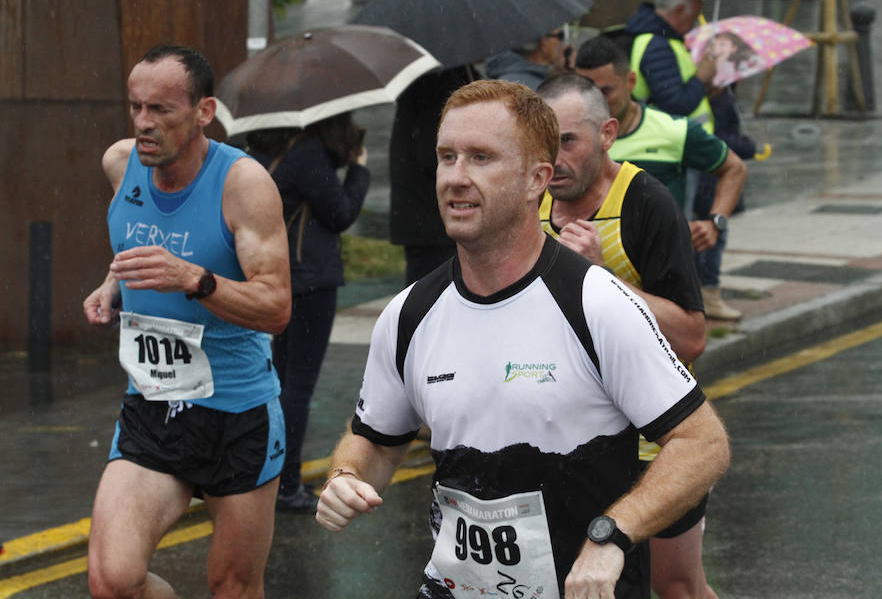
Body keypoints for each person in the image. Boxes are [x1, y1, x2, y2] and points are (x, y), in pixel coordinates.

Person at [315, 79, 730, 599]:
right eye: (448, 157)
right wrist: (345, 476)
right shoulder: (409, 314)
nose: (456, 178)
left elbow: (702, 443)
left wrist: (611, 536)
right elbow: (375, 438)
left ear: (538, 178)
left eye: (482, 158)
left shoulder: (595, 304)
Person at [82, 45, 291, 598]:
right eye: (136, 108)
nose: (145, 123)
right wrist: (113, 283)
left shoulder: (243, 184)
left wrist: (194, 280)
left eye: (162, 110)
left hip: (237, 413)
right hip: (153, 403)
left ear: (204, 111)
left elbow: (276, 308)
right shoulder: (119, 163)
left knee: (233, 586)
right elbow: (135, 236)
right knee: (112, 580)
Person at [536, 72, 719, 599]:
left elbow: (691, 337)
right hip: (568, 437)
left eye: (568, 141)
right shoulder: (531, 201)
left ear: (607, 133)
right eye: (544, 143)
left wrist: (601, 278)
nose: (554, 158)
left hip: (652, 440)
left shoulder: (646, 203)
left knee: (675, 585)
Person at [245, 114, 369, 513]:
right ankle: (286, 484)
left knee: (280, 382)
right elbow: (340, 213)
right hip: (311, 280)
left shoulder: (269, 150)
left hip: (283, 277)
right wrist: (359, 170)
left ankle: (272, 479)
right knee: (297, 386)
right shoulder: (307, 152)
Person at [575, 34, 747, 321]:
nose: (596, 102)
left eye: (606, 91)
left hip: (663, 281)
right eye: (586, 90)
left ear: (630, 82)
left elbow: (734, 168)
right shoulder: (570, 140)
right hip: (591, 281)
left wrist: (716, 221)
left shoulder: (673, 130)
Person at [390, 65, 477, 285]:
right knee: (430, 299)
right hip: (430, 221)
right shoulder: (439, 83)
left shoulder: (430, 77)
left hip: (425, 219)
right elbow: (432, 154)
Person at [693, 86, 758, 321]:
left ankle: (706, 293)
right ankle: (708, 295)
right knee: (711, 240)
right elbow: (718, 139)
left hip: (711, 181)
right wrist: (746, 145)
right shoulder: (711, 99)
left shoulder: (723, 95)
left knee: (711, 237)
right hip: (710, 181)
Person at [624, 0, 716, 134]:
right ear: (679, 10)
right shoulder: (657, 46)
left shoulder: (664, 38)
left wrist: (705, 88)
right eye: (694, 17)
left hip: (684, 139)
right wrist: (701, 78)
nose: (693, 25)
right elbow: (675, 106)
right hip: (676, 142)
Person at [485, 29, 573, 90]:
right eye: (560, 36)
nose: (562, 42)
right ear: (543, 42)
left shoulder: (530, 78)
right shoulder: (518, 86)